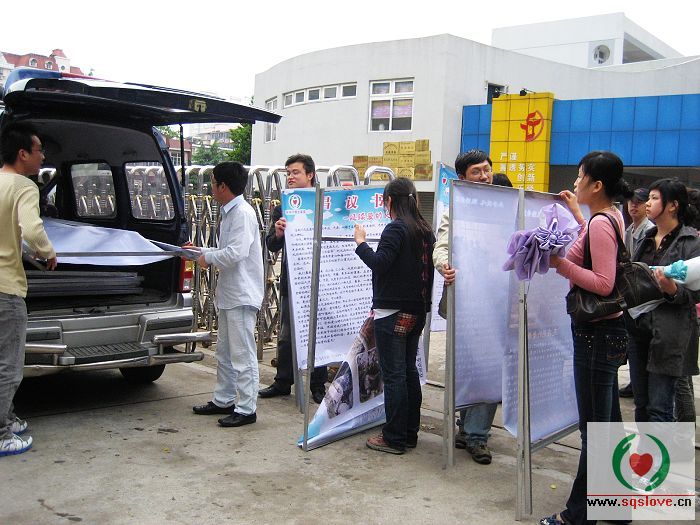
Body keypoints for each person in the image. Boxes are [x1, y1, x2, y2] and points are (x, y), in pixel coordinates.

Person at [541, 151, 632, 525]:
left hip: (596, 335)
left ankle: (577, 516)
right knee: (608, 427)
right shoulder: (609, 217)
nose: (576, 182)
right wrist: (579, 217)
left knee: (594, 432)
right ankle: (618, 507)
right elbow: (596, 249)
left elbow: (604, 283)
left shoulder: (600, 224)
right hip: (607, 333)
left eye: (580, 177)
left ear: (597, 185)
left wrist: (559, 264)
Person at [354, 177, 434, 454]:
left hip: (392, 312)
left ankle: (394, 437)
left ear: (389, 201)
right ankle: (409, 433)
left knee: (395, 375)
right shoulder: (425, 230)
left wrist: (361, 243)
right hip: (417, 312)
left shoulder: (396, 228)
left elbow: (380, 263)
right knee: (408, 371)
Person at [433, 149, 499, 465]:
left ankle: (475, 435)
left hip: (497, 302)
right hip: (467, 303)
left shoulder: (504, 206)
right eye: (477, 172)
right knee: (470, 367)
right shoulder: (454, 211)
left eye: (487, 170)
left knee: (490, 367)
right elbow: (441, 246)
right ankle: (469, 429)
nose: (484, 176)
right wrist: (444, 265)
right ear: (462, 178)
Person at [191, 161, 263, 428]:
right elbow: (228, 249)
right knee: (225, 353)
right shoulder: (230, 211)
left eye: (212, 183)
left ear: (223, 186)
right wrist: (200, 251)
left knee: (242, 355)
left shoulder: (242, 213)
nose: (211, 188)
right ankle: (223, 399)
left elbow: (235, 253)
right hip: (230, 294)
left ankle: (246, 408)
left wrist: (207, 257)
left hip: (242, 295)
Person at [0, 122, 57, 457]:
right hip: (6, 289)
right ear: (22, 153)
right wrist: (48, 252)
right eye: (38, 150)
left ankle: (7, 417)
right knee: (9, 365)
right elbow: (33, 229)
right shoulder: (24, 186)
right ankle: (1, 433)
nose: (42, 156)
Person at [627, 179, 700, 423]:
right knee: (641, 404)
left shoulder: (691, 242)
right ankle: (645, 449)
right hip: (638, 331)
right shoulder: (646, 238)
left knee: (660, 408)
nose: (647, 203)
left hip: (668, 335)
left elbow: (695, 293)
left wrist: (673, 291)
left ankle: (661, 450)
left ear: (673, 205)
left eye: (654, 198)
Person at [258, 154, 327, 404]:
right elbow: (271, 244)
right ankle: (282, 381)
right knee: (286, 334)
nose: (290, 177)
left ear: (310, 174)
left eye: (296, 172)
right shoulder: (283, 207)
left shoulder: (324, 203)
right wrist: (278, 234)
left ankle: (317, 384)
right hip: (292, 281)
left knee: (317, 333)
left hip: (321, 281)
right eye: (288, 173)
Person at [618, 187, 654, 399]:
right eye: (631, 201)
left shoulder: (650, 230)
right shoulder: (629, 229)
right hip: (630, 291)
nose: (633, 206)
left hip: (642, 292)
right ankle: (635, 381)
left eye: (638, 202)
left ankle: (639, 383)